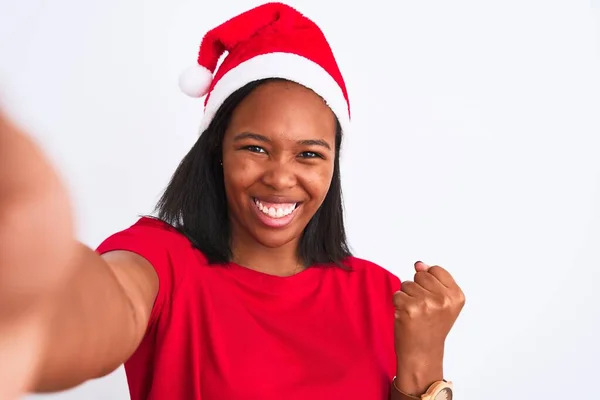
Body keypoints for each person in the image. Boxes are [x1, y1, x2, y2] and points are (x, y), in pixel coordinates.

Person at [0, 2, 465, 400]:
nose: (281, 177)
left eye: (309, 154)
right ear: (217, 152)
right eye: (255, 148)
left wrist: (424, 363)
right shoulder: (163, 262)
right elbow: (105, 303)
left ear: (332, 167)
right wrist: (31, 291)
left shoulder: (383, 296)